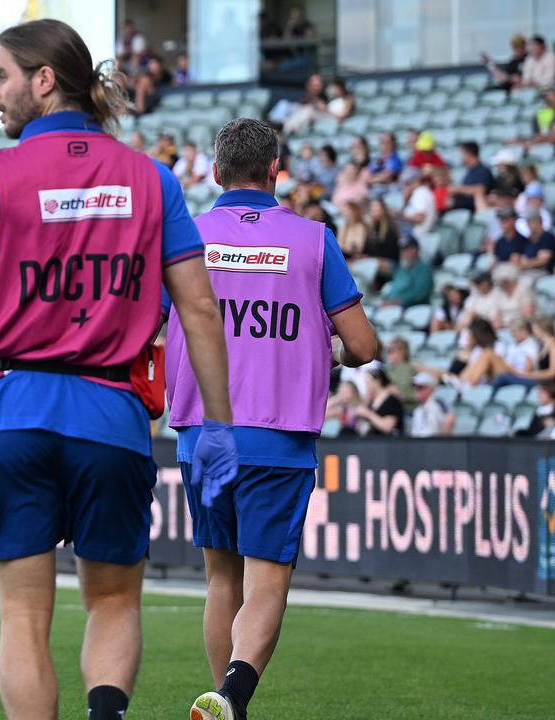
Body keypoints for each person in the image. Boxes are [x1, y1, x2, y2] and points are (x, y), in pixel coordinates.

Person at [0, 20, 236, 720]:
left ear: (44, 80)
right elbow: (199, 309)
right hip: (112, 414)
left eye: (1, 75)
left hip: (11, 410)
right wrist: (219, 423)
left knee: (22, 615)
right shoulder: (152, 179)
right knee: (111, 599)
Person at [165, 118, 378, 720]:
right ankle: (232, 696)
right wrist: (321, 343)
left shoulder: (187, 237)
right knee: (266, 584)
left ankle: (226, 704)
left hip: (202, 433)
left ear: (214, 172)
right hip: (277, 436)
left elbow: (147, 328)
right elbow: (362, 346)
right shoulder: (313, 239)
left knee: (219, 580)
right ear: (274, 170)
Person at [380, 239, 433, 307]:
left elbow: (420, 294)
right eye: (402, 250)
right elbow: (394, 290)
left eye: (406, 249)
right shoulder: (401, 271)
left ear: (415, 250)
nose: (403, 253)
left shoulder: (424, 270)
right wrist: (387, 300)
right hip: (393, 306)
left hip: (413, 308)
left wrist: (397, 301)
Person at [409, 372, 455, 436]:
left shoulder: (438, 403)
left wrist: (442, 441)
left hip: (434, 444)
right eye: (414, 387)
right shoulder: (418, 410)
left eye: (420, 387)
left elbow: (450, 419)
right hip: (419, 444)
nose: (416, 390)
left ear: (431, 388)